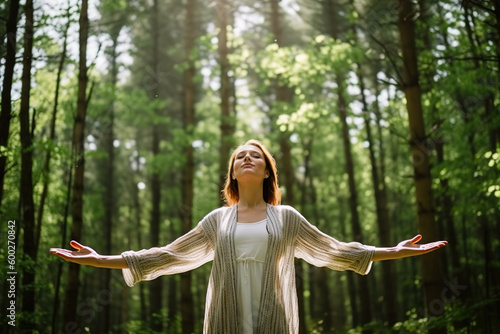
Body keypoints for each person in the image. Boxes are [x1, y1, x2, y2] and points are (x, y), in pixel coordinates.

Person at [50, 139, 447, 334]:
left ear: (268, 171)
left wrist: (395, 250)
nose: (247, 157)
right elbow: (166, 256)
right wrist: (99, 258)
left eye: (254, 154)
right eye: (240, 156)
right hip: (225, 322)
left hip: (273, 323)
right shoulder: (217, 221)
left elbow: (336, 251)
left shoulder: (287, 218)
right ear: (234, 174)